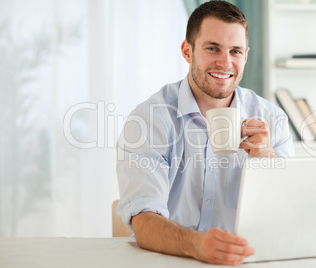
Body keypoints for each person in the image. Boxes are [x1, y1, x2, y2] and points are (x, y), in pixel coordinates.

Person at [116, 0, 294, 265]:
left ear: (246, 56)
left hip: (249, 259)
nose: (225, 63)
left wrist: (267, 159)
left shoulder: (272, 119)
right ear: (187, 51)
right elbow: (143, 219)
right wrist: (196, 245)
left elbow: (291, 211)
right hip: (172, 259)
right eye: (213, 48)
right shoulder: (150, 120)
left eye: (235, 51)